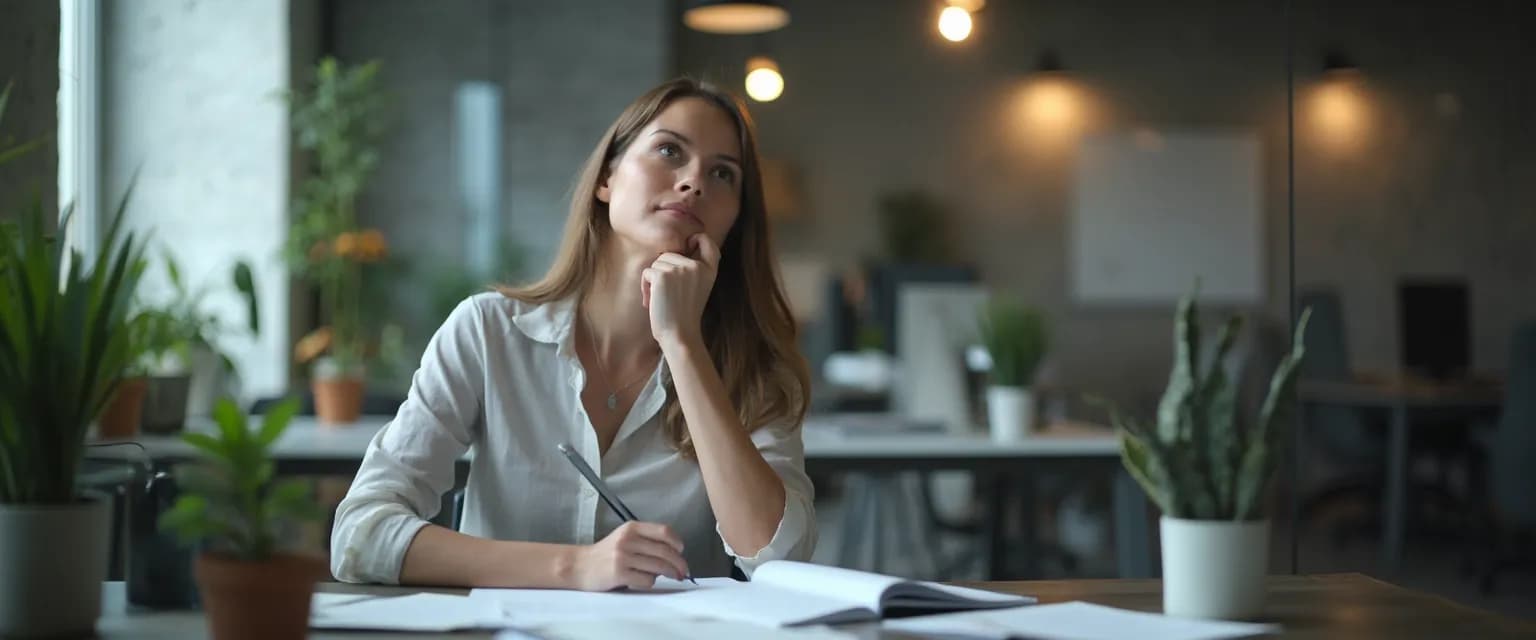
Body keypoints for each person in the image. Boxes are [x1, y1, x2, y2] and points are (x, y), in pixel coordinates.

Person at [330, 77, 816, 591]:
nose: (694, 181)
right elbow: (361, 534)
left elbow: (779, 557)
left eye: (723, 173)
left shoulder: (757, 370)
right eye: (670, 150)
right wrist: (574, 567)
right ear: (607, 177)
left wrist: (683, 344)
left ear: (734, 221)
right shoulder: (487, 333)